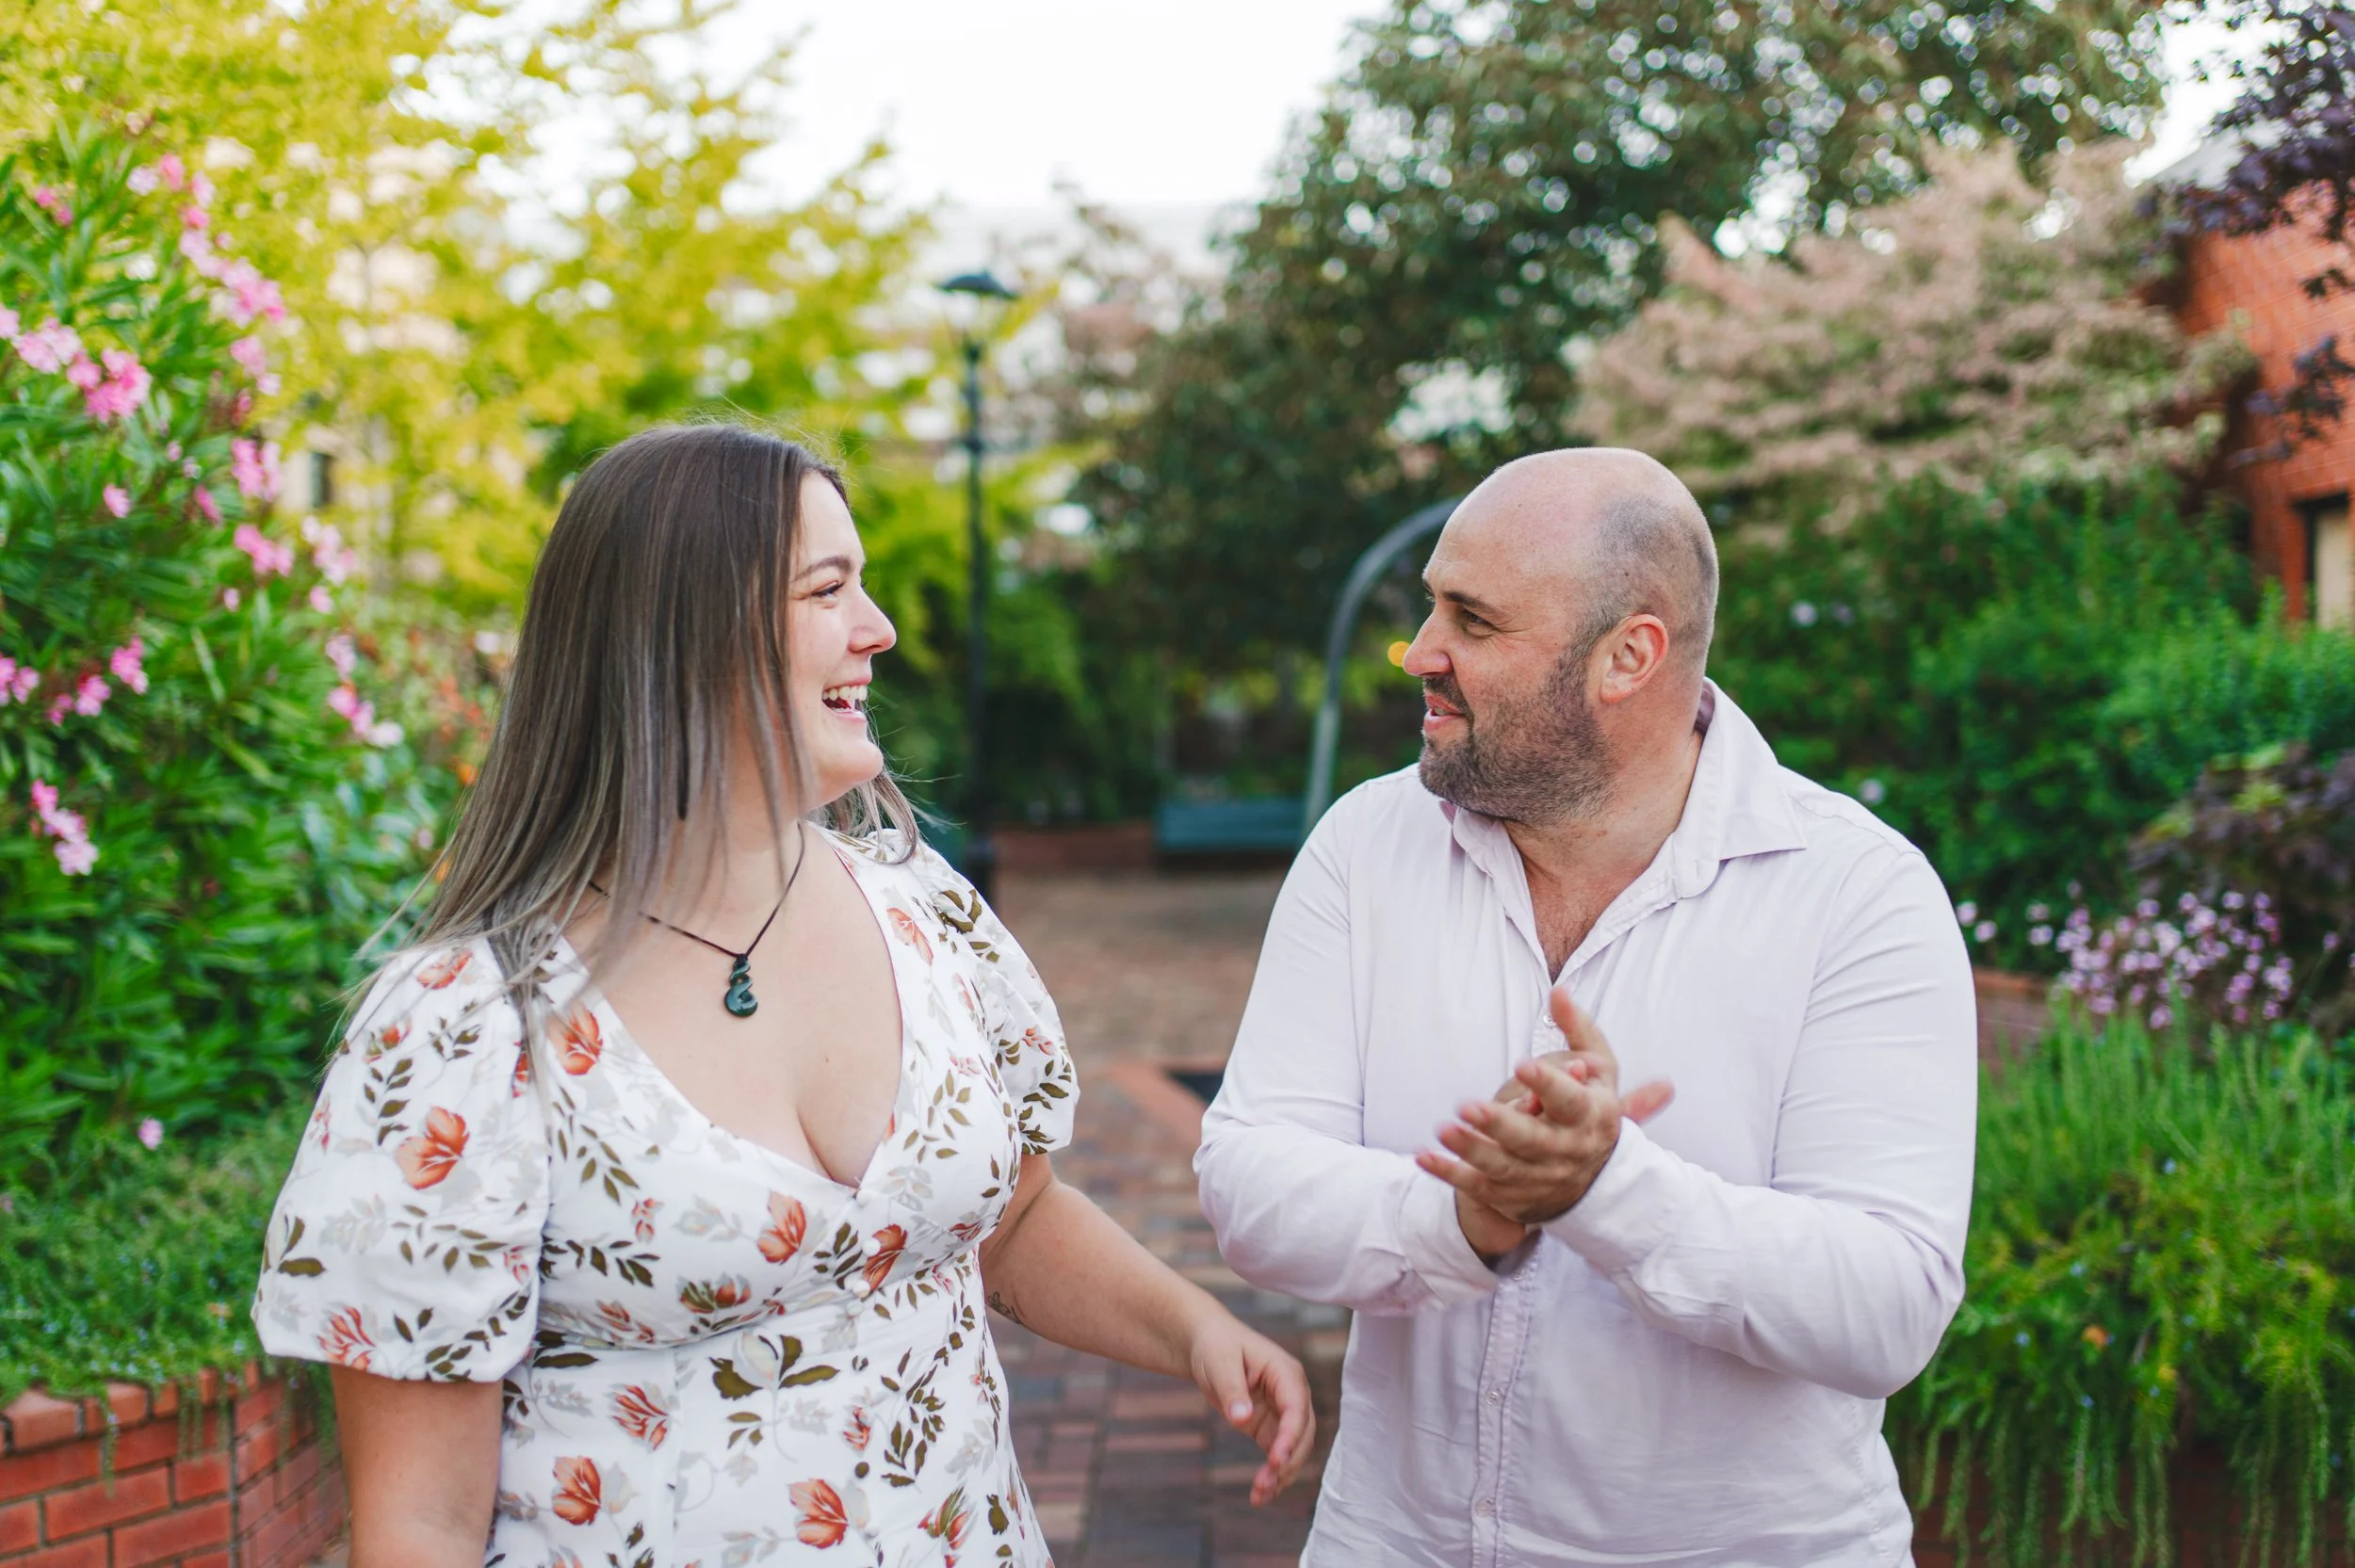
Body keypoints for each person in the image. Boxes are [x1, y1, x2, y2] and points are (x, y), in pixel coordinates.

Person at [253, 423, 1312, 1567]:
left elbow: (1014, 1217)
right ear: (682, 634)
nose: (880, 629)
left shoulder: (927, 913)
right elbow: (422, 1521)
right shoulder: (465, 1023)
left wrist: (1193, 1327)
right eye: (828, 589)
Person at [1195, 447, 1976, 1567]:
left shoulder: (1856, 889)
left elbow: (1886, 1306)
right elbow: (1248, 1176)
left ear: (1628, 656)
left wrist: (1613, 1189)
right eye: (1430, 606)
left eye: (1471, 618)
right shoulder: (1365, 846)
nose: (1420, 653)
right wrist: (1464, 1219)